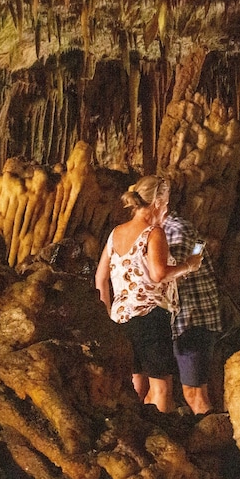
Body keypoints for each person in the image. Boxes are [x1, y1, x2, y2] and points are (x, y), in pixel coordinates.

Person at [95, 176, 201, 413]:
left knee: (135, 386)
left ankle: (137, 432)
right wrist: (189, 265)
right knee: (161, 387)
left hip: (121, 319)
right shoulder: (154, 233)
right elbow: (158, 273)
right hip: (151, 317)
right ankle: (163, 439)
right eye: (165, 204)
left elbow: (100, 278)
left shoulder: (115, 234)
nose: (166, 209)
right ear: (157, 202)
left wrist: (106, 316)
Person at [163, 210, 223, 416]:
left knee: (195, 394)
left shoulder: (176, 230)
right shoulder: (178, 228)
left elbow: (173, 275)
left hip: (192, 320)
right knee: (191, 391)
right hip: (191, 321)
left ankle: (216, 440)